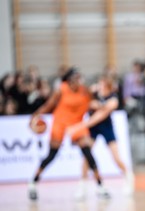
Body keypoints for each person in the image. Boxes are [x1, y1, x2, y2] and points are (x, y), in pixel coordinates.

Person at [28, 67, 110, 200]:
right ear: (70, 80)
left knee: (88, 153)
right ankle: (33, 183)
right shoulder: (61, 89)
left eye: (79, 78)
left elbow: (93, 103)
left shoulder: (85, 91)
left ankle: (101, 186)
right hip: (60, 122)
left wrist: (103, 105)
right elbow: (49, 105)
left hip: (76, 124)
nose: (79, 81)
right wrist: (36, 115)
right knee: (52, 155)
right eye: (76, 78)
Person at [68, 74, 135, 200]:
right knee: (87, 157)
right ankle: (82, 186)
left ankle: (128, 176)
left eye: (102, 84)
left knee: (116, 157)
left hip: (106, 127)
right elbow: (83, 99)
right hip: (93, 129)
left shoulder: (113, 99)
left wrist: (81, 125)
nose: (100, 86)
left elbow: (101, 114)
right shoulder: (92, 94)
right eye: (99, 83)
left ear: (108, 86)